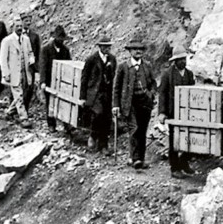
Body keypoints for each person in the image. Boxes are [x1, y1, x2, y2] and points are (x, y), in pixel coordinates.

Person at [113, 40, 157, 170]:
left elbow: (153, 84)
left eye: (141, 49)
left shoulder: (147, 66)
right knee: (134, 128)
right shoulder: (123, 67)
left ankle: (140, 159)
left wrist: (150, 94)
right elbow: (117, 87)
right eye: (135, 49)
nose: (138, 52)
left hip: (145, 104)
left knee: (142, 130)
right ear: (130, 51)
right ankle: (134, 157)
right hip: (129, 103)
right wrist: (115, 105)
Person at [158, 48, 197, 177]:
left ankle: (184, 163)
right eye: (180, 60)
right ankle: (175, 168)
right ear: (175, 61)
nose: (183, 62)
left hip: (187, 113)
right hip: (173, 112)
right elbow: (162, 94)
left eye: (184, 59)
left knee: (189, 139)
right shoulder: (167, 75)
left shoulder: (189, 74)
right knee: (174, 141)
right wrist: (162, 112)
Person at [81, 37, 117, 154]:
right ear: (100, 47)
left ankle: (104, 145)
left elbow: (112, 76)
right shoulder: (91, 59)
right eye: (105, 47)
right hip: (94, 93)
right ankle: (92, 135)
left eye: (109, 47)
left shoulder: (112, 59)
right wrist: (82, 97)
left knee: (106, 118)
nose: (108, 49)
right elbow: (84, 78)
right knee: (98, 114)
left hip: (107, 93)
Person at [0, 20, 36, 128]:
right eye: (17, 26)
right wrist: (6, 73)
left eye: (21, 26)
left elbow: (30, 52)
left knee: (22, 94)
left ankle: (10, 112)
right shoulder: (7, 41)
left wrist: (31, 58)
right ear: (12, 28)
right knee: (18, 95)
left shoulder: (26, 40)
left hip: (25, 72)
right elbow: (3, 59)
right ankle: (23, 118)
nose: (20, 28)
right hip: (13, 73)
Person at [38, 26, 72, 131]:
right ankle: (51, 124)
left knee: (64, 102)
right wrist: (43, 81)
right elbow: (42, 66)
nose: (61, 41)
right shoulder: (46, 49)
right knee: (50, 102)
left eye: (62, 39)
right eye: (59, 39)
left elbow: (69, 65)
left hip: (62, 80)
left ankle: (66, 124)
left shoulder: (65, 50)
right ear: (54, 38)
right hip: (49, 80)